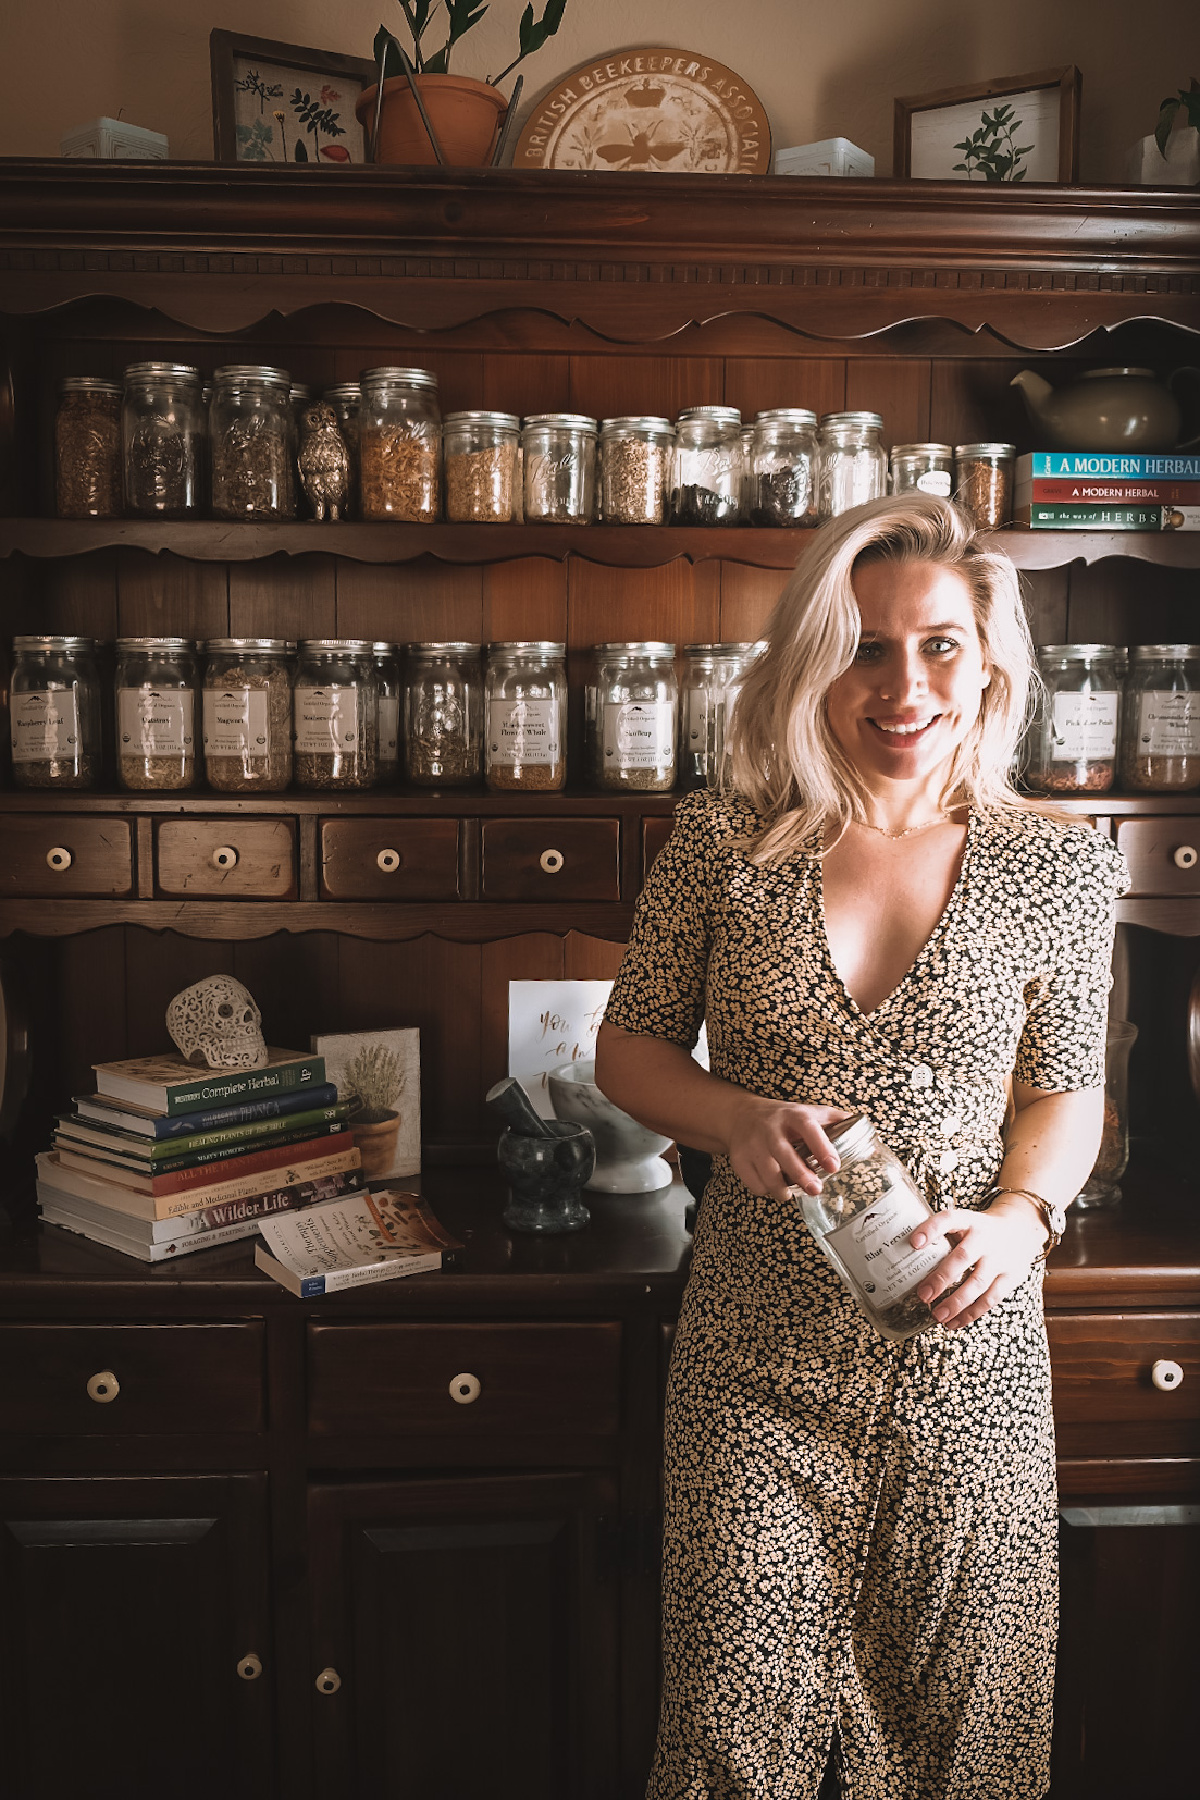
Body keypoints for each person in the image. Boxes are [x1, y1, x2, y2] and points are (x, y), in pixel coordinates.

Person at [594, 494, 1126, 1800]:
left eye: (940, 644)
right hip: (753, 1370)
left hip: (969, 1374)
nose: (905, 684)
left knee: (968, 1748)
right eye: (865, 647)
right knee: (731, 1740)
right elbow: (629, 1049)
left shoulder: (1060, 867)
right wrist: (728, 1116)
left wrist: (1018, 1220)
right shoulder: (722, 844)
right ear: (810, 663)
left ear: (990, 662)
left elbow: (1069, 1092)